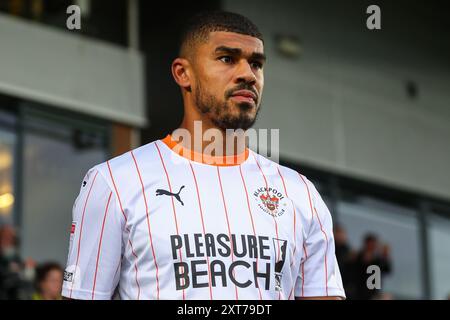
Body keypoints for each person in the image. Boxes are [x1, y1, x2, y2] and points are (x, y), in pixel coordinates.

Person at [62, 11, 345, 300]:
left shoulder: (300, 194)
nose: (248, 74)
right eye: (227, 59)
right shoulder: (114, 182)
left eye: (256, 64)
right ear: (183, 74)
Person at [353, 233, 392, 300]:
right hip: (359, 293)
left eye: (373, 245)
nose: (372, 247)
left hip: (374, 294)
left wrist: (385, 257)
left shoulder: (378, 259)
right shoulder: (358, 257)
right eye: (370, 244)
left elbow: (387, 270)